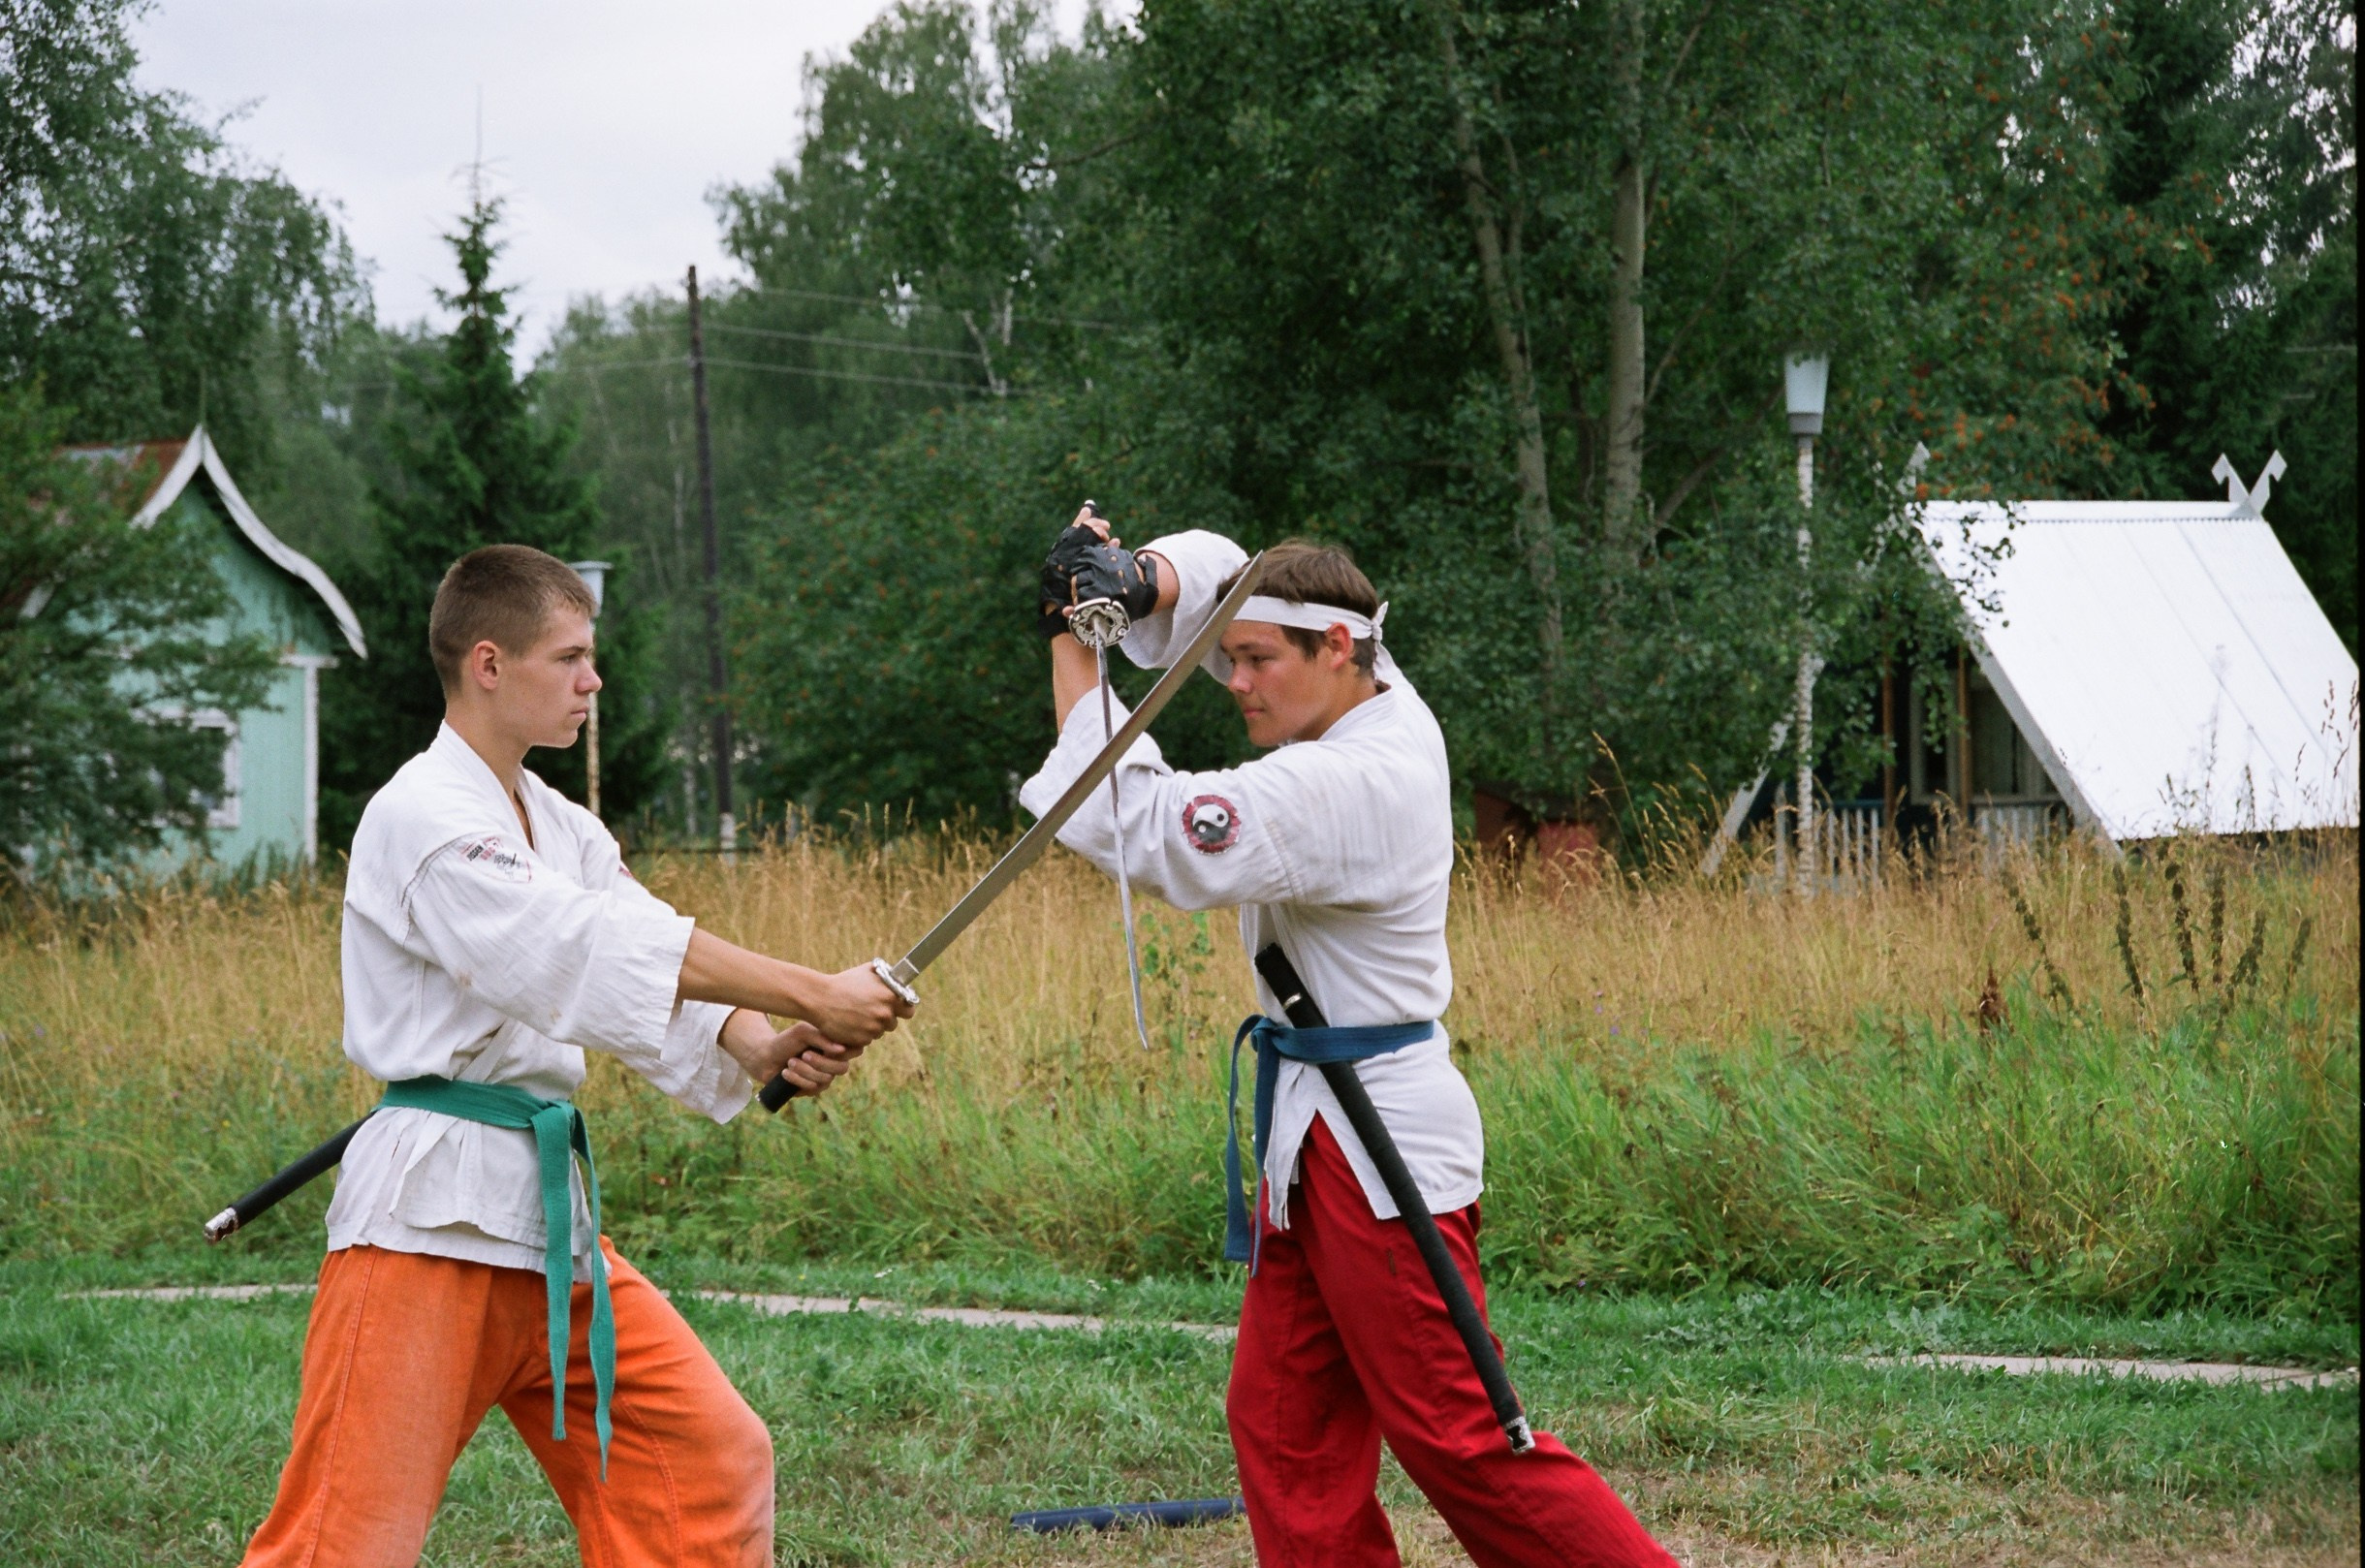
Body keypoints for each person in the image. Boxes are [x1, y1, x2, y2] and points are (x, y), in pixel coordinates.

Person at [1022, 518, 1676, 1568]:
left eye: (1255, 662)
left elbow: (1147, 828)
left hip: (1378, 1146)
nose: (1234, 681)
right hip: (1318, 1133)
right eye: (1229, 656)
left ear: (1335, 648)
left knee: (1464, 1439)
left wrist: (1074, 637)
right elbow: (1229, 571)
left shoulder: (1350, 780)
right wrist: (1137, 577)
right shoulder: (1371, 681)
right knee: (1288, 1427)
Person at [240, 545, 912, 1568]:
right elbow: (573, 950)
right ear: (488, 663)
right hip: (429, 1224)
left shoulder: (559, 823)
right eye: (570, 657)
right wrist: (813, 992)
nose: (593, 681)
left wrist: (762, 1040)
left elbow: (639, 941)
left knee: (706, 1462)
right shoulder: (422, 814)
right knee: (346, 1541)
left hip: (550, 1227)